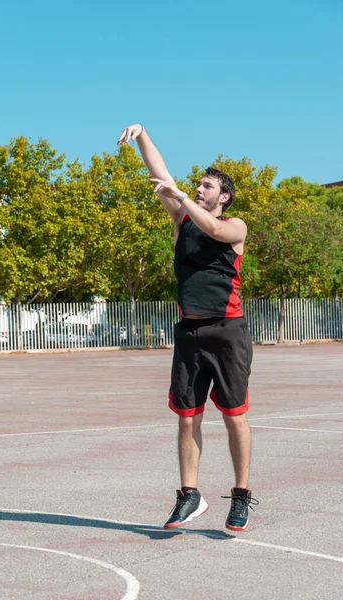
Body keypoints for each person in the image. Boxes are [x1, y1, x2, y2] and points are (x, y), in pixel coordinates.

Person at [117, 124, 258, 531]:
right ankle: (190, 495)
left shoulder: (236, 226)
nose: (198, 189)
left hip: (228, 331)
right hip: (190, 333)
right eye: (197, 184)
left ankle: (241, 495)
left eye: (207, 186)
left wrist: (179, 195)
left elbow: (214, 229)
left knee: (234, 416)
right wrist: (143, 136)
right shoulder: (182, 221)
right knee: (186, 416)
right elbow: (161, 176)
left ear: (223, 196)